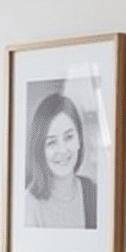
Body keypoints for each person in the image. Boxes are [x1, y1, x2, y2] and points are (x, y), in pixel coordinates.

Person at [23, 92, 97, 229]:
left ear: (79, 140)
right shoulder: (29, 205)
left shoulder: (94, 192)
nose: (62, 150)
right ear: (40, 150)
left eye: (68, 137)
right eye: (51, 142)